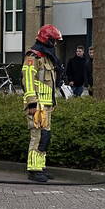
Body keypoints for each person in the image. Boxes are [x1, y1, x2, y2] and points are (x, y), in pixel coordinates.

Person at [22, 25, 62, 183]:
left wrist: (52, 103)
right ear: (47, 39)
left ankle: (40, 166)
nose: (56, 44)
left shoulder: (47, 57)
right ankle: (33, 170)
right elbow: (28, 80)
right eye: (54, 40)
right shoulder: (33, 57)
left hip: (46, 106)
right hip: (36, 105)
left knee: (45, 137)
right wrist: (32, 103)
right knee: (37, 137)